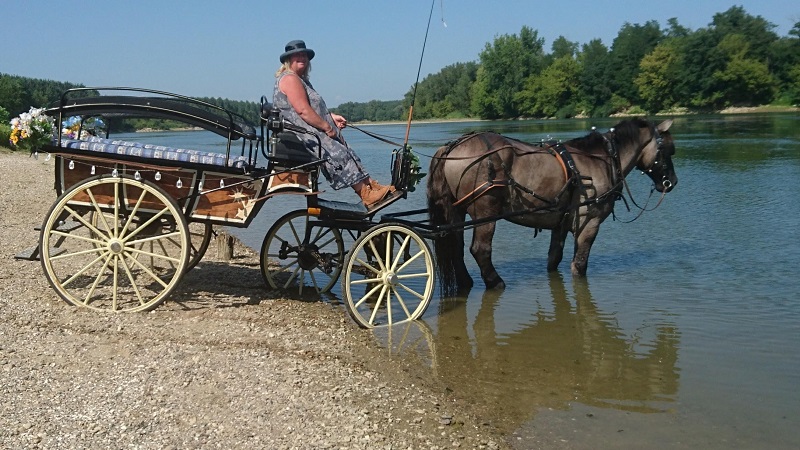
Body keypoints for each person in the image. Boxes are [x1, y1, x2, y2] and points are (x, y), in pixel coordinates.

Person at [273, 39, 393, 208]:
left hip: (308, 131)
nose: (302, 58)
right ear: (288, 60)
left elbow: (313, 107)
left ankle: (371, 185)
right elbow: (303, 111)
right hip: (301, 135)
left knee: (345, 147)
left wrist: (331, 116)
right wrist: (326, 127)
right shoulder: (290, 79)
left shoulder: (301, 80)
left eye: (304, 55)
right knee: (336, 151)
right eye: (297, 55)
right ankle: (365, 194)